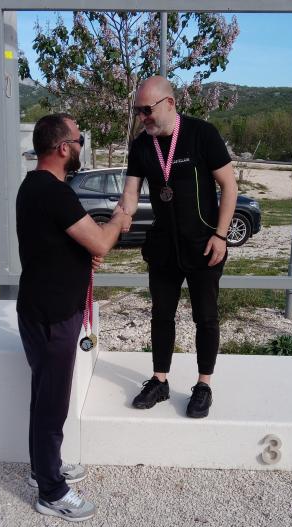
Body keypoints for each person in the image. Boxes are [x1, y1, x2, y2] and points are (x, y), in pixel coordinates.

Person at [16, 113, 131, 521]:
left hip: (40, 309)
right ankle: (51, 492)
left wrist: (82, 257)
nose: (82, 146)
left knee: (44, 397)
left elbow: (57, 243)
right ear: (64, 147)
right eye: (80, 140)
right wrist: (119, 219)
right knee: (52, 405)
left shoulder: (34, 186)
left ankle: (43, 468)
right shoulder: (53, 192)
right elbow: (99, 241)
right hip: (52, 315)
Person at [118, 76, 237, 418]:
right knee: (161, 315)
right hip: (163, 247)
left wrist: (221, 235)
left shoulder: (202, 134)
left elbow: (229, 187)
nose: (142, 117)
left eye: (146, 110)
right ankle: (160, 381)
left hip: (204, 245)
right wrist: (117, 220)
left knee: (206, 317)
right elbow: (130, 193)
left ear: (169, 103)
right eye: (138, 112)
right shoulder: (142, 145)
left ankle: (203, 385)